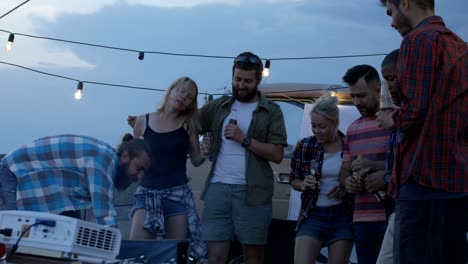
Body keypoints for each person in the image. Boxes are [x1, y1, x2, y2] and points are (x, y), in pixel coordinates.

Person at [379, 1, 468, 263]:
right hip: (456, 179)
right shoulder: (459, 45)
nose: (392, 22)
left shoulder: (418, 40)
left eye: (390, 12)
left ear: (404, 3)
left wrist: (392, 119)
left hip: (422, 177)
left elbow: (415, 111)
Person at [199, 51, 287, 264]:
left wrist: (245, 139)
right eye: (237, 79)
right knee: (215, 256)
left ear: (258, 80)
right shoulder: (219, 106)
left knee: (253, 256)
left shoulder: (271, 111)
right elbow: (190, 123)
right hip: (218, 188)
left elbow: (277, 154)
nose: (241, 85)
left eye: (248, 81)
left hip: (253, 192)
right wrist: (202, 142)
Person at [128, 76, 208, 261]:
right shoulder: (142, 121)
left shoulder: (189, 125)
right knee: (138, 252)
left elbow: (195, 160)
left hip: (177, 194)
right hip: (147, 193)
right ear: (171, 90)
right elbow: (136, 159)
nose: (183, 97)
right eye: (181, 91)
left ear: (191, 104)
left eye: (189, 97)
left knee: (174, 256)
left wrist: (204, 152)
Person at [0, 134, 151, 227]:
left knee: (70, 229)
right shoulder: (104, 160)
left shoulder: (105, 156)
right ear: (125, 155)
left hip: (33, 178)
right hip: (16, 171)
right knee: (15, 233)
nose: (140, 176)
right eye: (139, 168)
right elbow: (104, 213)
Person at [289, 94, 354, 264]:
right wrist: (303, 184)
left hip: (342, 216)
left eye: (322, 126)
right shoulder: (305, 145)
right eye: (313, 126)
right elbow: (293, 179)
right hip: (312, 214)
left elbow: (356, 180)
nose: (317, 131)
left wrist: (345, 188)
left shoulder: (350, 146)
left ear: (335, 123)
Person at [339, 64, 391, 264]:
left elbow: (409, 166)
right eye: (353, 96)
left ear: (378, 89)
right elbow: (344, 170)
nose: (356, 102)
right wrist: (348, 182)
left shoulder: (397, 122)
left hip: (391, 217)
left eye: (361, 95)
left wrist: (375, 166)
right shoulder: (352, 129)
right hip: (361, 219)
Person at [376, 49, 400, 264]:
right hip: (398, 205)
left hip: (411, 205)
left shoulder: (406, 119)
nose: (389, 86)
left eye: (391, 79)